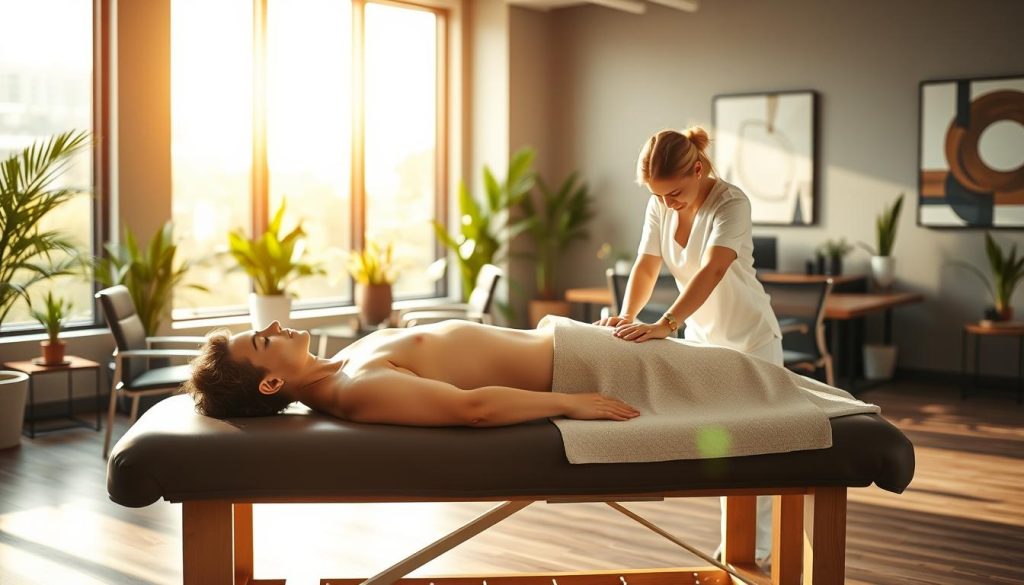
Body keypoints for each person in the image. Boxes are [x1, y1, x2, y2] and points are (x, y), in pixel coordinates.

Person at [595, 126, 781, 565]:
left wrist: (666, 323)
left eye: (674, 192)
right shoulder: (661, 205)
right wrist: (628, 314)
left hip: (751, 339)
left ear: (698, 169)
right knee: (722, 444)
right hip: (704, 340)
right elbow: (646, 264)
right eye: (658, 195)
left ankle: (758, 548)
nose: (666, 202)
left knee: (760, 448)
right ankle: (736, 544)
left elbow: (713, 270)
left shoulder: (731, 203)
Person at [184, 319, 641, 426]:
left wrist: (582, 330)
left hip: (579, 341)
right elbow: (471, 408)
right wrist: (571, 402)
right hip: (585, 367)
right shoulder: (354, 388)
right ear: (270, 384)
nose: (274, 326)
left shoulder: (342, 360)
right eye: (265, 340)